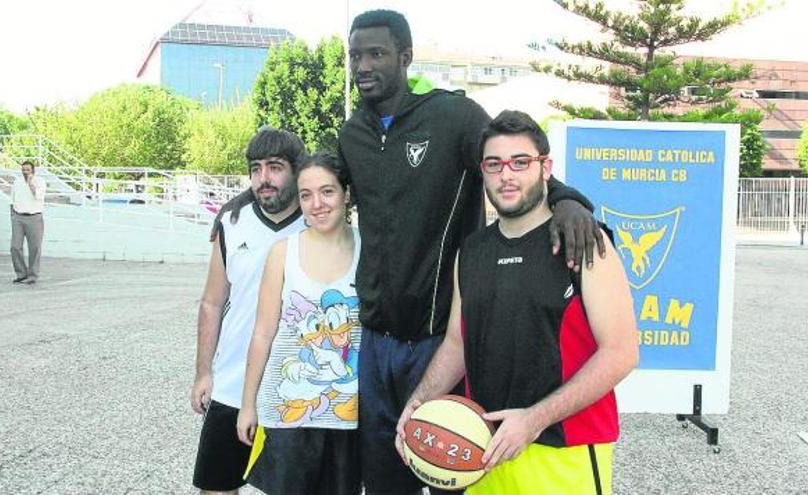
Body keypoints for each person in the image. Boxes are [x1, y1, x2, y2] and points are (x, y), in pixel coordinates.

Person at [340, 10, 605, 495]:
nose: (363, 66)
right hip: (375, 344)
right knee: (382, 478)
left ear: (405, 56)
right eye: (354, 55)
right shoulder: (352, 133)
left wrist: (567, 199)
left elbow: (508, 157)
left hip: (439, 341)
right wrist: (250, 200)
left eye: (375, 53)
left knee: (449, 473)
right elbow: (318, 185)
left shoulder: (452, 117)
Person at [395, 110, 639, 495]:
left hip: (565, 451)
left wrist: (533, 419)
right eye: (494, 164)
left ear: (546, 167)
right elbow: (457, 344)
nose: (506, 175)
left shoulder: (584, 242)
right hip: (485, 447)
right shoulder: (471, 252)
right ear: (483, 172)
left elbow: (621, 353)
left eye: (520, 162)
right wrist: (419, 403)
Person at [190, 127, 307, 495]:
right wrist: (203, 372)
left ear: (296, 169)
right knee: (217, 487)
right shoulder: (232, 222)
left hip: (295, 389)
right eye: (256, 169)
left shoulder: (318, 221)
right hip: (233, 385)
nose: (263, 179)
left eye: (275, 167)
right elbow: (211, 301)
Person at [237, 152, 361, 495]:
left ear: (346, 193)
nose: (317, 204)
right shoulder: (283, 252)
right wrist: (248, 405)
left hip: (347, 414)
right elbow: (263, 332)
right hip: (286, 412)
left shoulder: (370, 250)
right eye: (306, 195)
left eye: (327, 192)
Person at [10, 160, 47, 284]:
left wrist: (31, 184)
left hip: (34, 217)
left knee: (35, 247)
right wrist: (13, 215)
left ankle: (32, 275)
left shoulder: (40, 182)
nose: (25, 172)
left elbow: (39, 196)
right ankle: (21, 273)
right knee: (15, 246)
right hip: (18, 217)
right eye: (23, 170)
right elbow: (12, 199)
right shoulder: (16, 182)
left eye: (28, 170)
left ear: (33, 171)